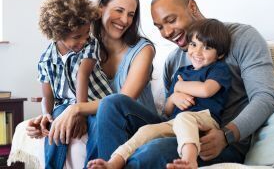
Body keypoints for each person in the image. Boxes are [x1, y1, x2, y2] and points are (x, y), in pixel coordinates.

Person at [87, 0, 274, 169]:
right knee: (111, 103)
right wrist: (173, 98)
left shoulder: (243, 37)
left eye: (171, 20)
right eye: (160, 27)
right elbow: (169, 116)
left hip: (217, 141)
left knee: (150, 152)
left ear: (192, 7)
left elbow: (265, 98)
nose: (167, 33)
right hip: (177, 129)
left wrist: (227, 135)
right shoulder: (173, 61)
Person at [26, 0, 158, 168]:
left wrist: (77, 108)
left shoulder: (142, 50)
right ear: (100, 8)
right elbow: (62, 90)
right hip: (103, 117)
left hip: (136, 122)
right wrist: (47, 117)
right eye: (119, 10)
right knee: (61, 117)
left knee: (104, 113)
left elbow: (122, 101)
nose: (125, 20)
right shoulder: (84, 46)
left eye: (131, 14)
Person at [87, 18, 232, 169]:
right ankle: (113, 162)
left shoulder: (218, 69)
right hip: (174, 123)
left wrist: (180, 86)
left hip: (204, 121)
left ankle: (189, 161)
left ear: (220, 54)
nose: (197, 52)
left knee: (184, 117)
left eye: (207, 48)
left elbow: (206, 90)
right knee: (146, 131)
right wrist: (174, 96)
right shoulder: (181, 72)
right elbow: (167, 110)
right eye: (194, 44)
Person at [31, 0, 113, 169]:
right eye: (77, 36)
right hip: (65, 105)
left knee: (100, 125)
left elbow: (82, 75)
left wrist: (80, 112)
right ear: (57, 33)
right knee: (56, 124)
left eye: (86, 33)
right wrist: (47, 114)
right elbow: (47, 95)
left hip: (94, 102)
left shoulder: (90, 44)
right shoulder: (46, 59)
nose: (84, 40)